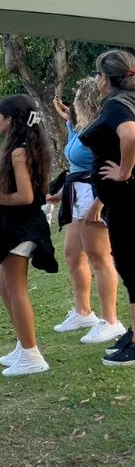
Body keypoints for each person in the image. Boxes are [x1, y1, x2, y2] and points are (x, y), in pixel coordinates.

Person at [0, 95, 59, 377]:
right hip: (19, 224)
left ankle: (32, 353)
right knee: (4, 286)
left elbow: (26, 196)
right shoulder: (28, 148)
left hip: (19, 226)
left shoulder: (18, 152)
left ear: (11, 120)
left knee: (16, 289)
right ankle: (24, 345)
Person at [50, 83, 125, 345]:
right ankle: (83, 312)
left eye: (78, 101)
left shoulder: (104, 128)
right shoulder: (81, 125)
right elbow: (74, 162)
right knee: (73, 253)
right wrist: (62, 193)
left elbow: (106, 165)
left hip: (94, 193)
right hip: (76, 191)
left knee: (99, 256)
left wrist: (100, 202)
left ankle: (111, 321)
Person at [80, 49, 135, 366]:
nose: (96, 78)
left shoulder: (117, 105)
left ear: (107, 77)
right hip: (121, 199)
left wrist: (124, 172)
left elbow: (129, 135)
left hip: (126, 199)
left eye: (98, 73)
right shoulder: (127, 102)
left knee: (130, 267)